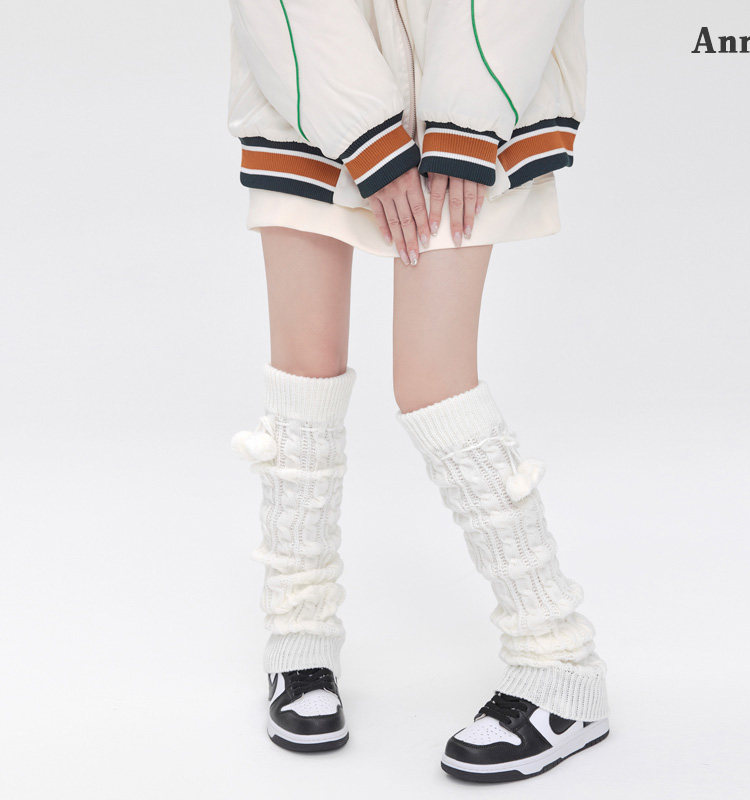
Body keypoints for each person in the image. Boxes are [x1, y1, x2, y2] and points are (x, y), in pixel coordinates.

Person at [228, 0, 609, 782]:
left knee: (433, 382)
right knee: (304, 366)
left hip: (473, 107)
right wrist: (363, 131)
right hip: (302, 85)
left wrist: (464, 118)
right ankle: (298, 640)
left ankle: (559, 663)